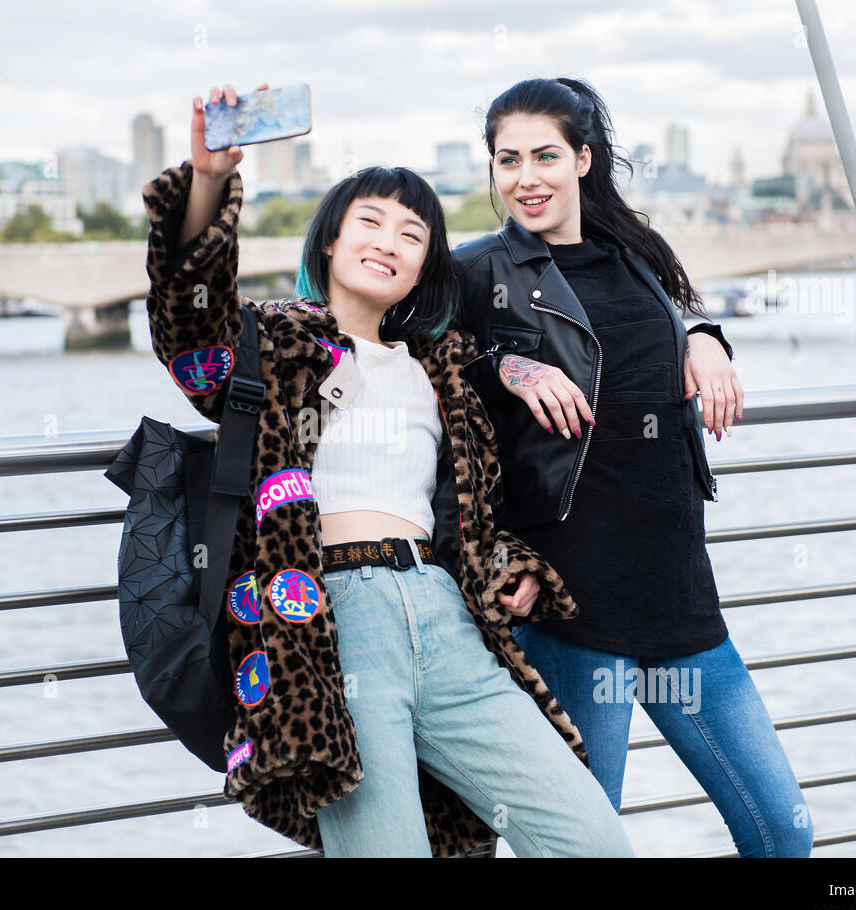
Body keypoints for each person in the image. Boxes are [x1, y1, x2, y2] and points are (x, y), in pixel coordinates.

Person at [142, 81, 634, 857]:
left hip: (445, 618)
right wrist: (208, 181)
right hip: (329, 620)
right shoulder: (275, 346)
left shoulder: (442, 373)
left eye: (412, 234)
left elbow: (465, 508)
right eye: (369, 222)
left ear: (424, 266)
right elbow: (188, 321)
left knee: (591, 841)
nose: (389, 242)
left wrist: (505, 564)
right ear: (330, 242)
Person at [452, 77, 813, 857]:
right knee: (588, 844)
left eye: (546, 155)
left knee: (782, 831)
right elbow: (421, 368)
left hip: (678, 590)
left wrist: (705, 334)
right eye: (507, 160)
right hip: (571, 601)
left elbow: (671, 316)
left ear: (583, 158)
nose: (526, 177)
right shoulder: (479, 272)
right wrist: (512, 368)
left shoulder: (637, 253)